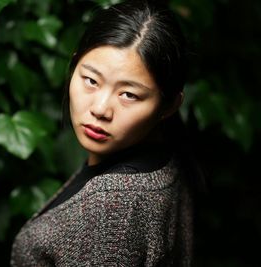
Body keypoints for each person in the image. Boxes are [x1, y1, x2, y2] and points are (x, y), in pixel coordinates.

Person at [11, 0, 199, 266]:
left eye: (129, 95)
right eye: (91, 80)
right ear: (74, 64)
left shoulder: (112, 205)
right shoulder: (164, 156)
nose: (100, 109)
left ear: (169, 106)